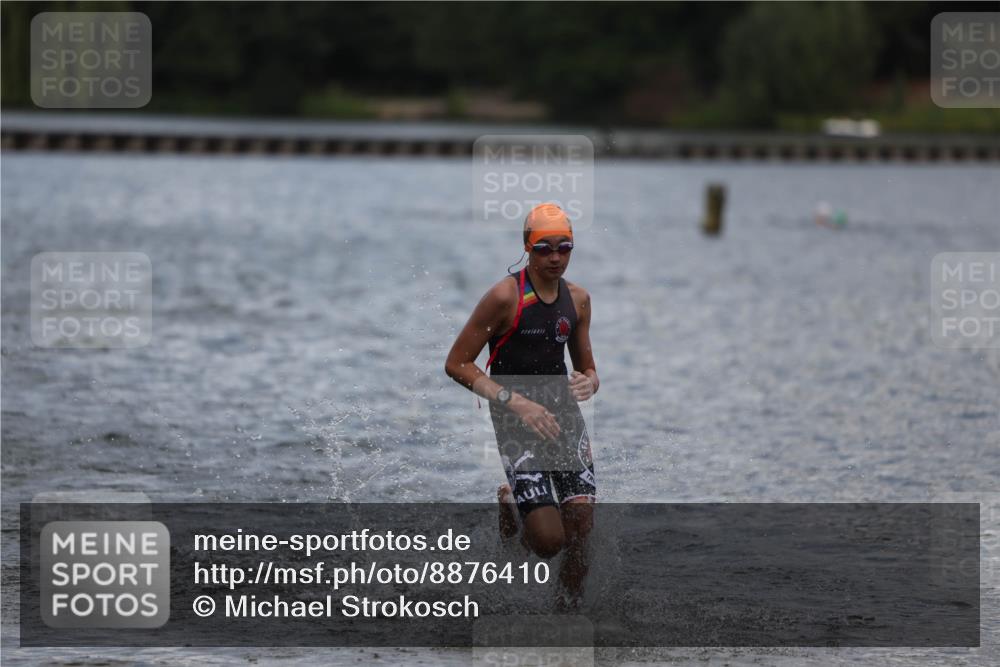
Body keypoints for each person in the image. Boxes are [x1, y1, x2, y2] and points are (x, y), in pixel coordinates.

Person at [445, 203, 599, 608]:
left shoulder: (579, 300)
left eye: (564, 248)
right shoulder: (504, 297)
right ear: (527, 247)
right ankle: (512, 504)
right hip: (515, 418)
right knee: (548, 542)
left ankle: (567, 615)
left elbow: (588, 368)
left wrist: (589, 381)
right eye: (544, 248)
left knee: (581, 525)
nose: (555, 257)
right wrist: (515, 403)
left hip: (563, 418)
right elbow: (457, 363)